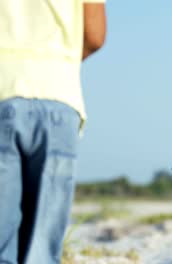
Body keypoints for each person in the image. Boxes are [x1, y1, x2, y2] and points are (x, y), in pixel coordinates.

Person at [0, 1, 106, 263]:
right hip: (57, 89)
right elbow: (94, 35)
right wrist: (58, 63)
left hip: (3, 87)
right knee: (42, 248)